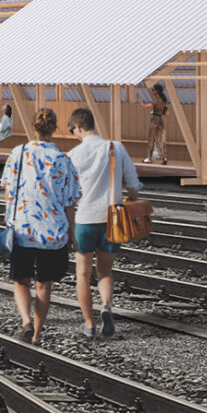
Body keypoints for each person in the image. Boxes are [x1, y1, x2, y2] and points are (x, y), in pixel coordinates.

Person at [2, 107, 81, 345]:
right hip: (53, 232)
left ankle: (26, 322)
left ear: (34, 128)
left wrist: (9, 217)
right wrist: (72, 233)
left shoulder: (18, 153)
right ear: (54, 128)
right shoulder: (63, 159)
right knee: (44, 285)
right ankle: (36, 334)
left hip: (23, 229)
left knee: (21, 281)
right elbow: (69, 201)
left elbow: (8, 189)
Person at [66, 107, 140, 339]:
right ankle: (106, 306)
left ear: (78, 127)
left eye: (73, 131)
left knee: (82, 274)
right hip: (112, 219)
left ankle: (89, 324)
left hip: (85, 219)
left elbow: (68, 193)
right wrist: (129, 200)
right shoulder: (116, 147)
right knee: (105, 271)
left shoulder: (73, 155)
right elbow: (133, 185)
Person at [140, 82, 170, 163]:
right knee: (160, 140)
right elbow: (166, 113)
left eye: (153, 90)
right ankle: (164, 157)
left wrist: (138, 99)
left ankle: (149, 158)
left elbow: (144, 107)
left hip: (154, 120)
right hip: (160, 120)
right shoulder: (164, 101)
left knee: (151, 139)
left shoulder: (157, 100)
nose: (152, 91)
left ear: (157, 91)